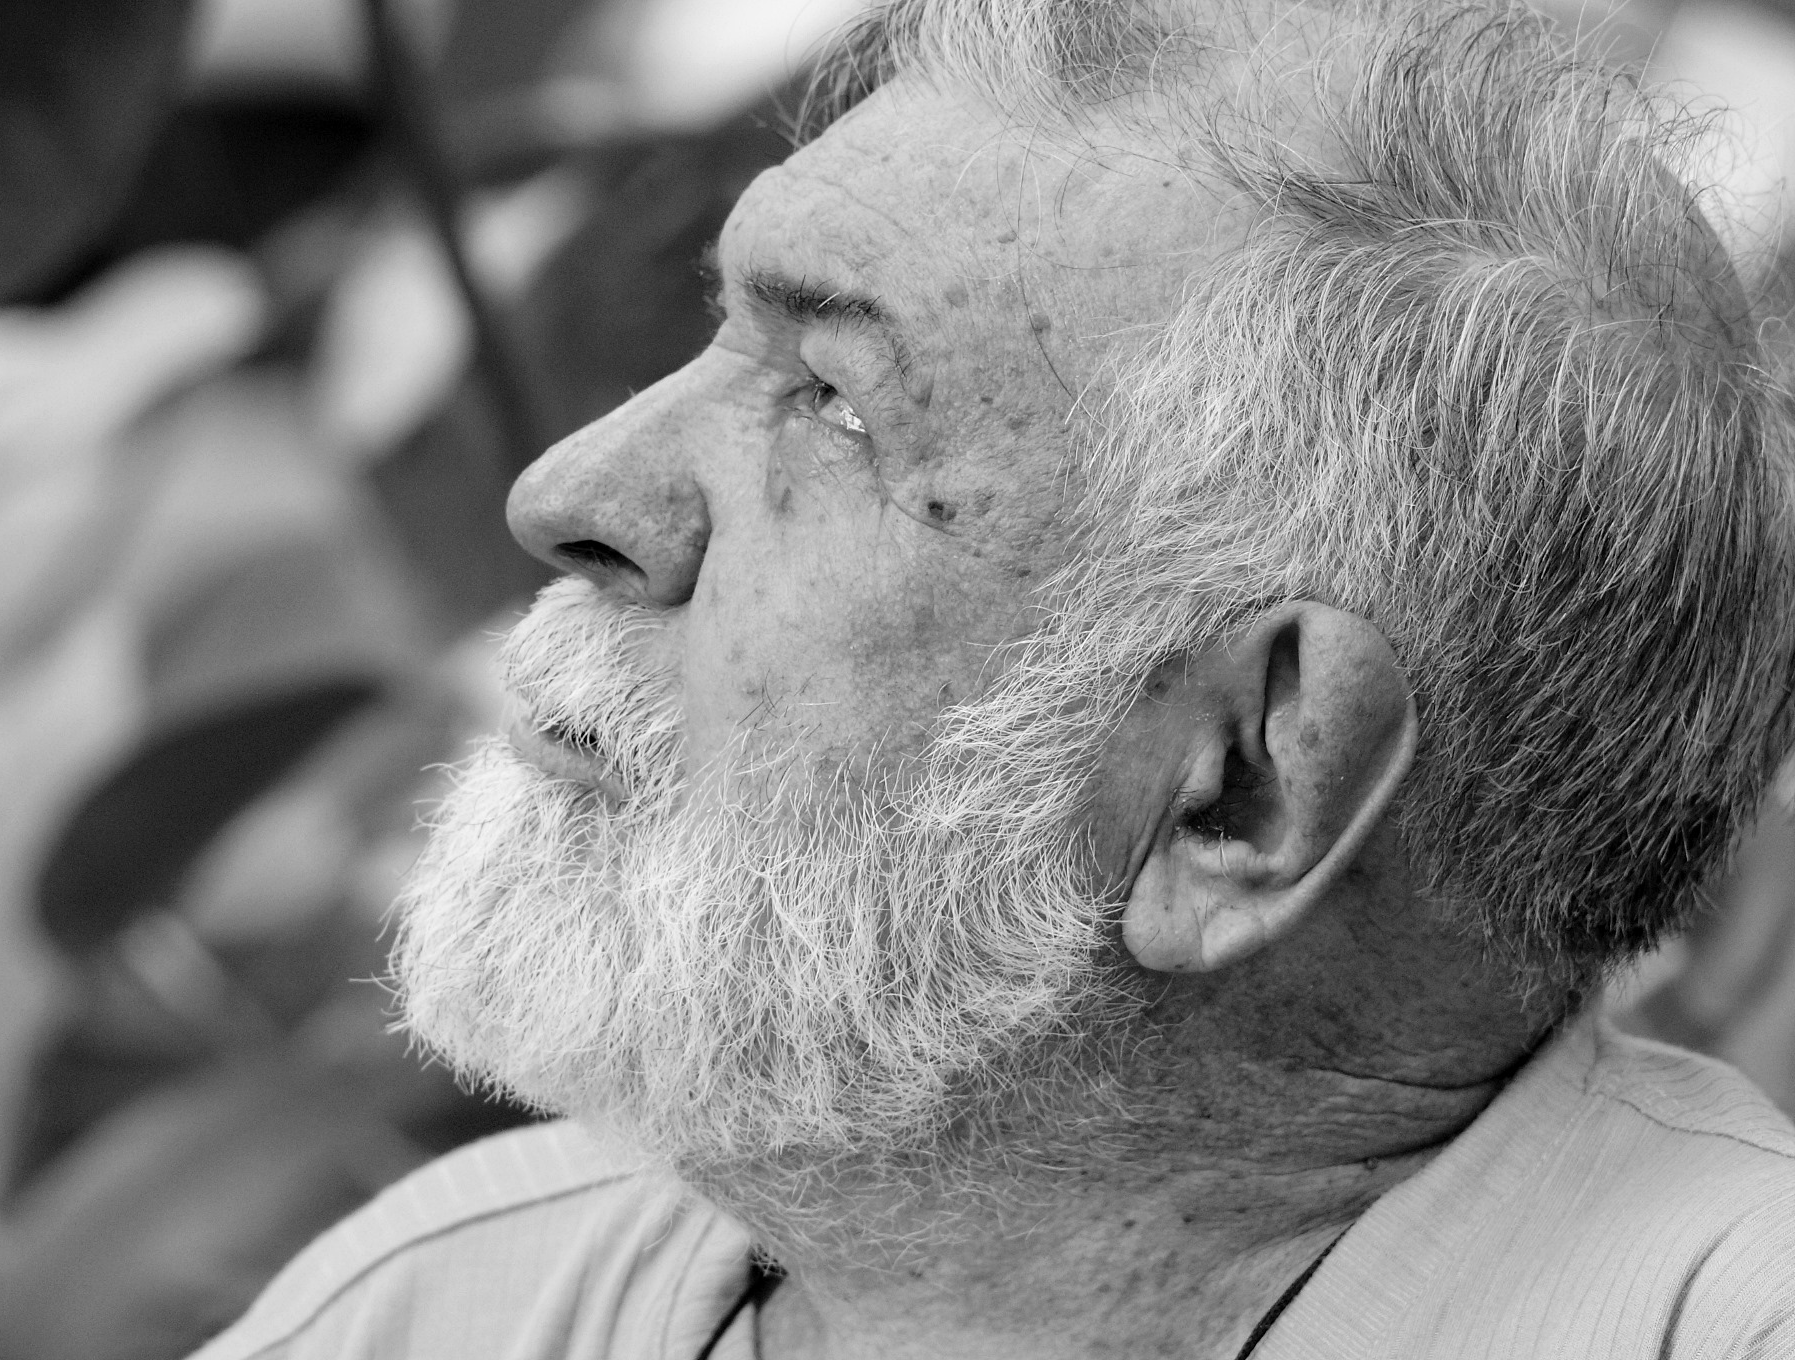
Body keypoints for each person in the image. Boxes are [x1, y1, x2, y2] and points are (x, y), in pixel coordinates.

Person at [188, 0, 1795, 1355]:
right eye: (719, 340)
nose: (569, 493)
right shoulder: (438, 1307)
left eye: (836, 404)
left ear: (1241, 788)